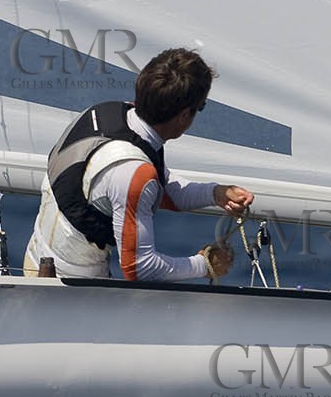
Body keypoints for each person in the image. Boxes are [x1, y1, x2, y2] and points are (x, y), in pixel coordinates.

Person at [24, 47, 254, 282]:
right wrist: (205, 265)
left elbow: (164, 191)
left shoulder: (105, 114)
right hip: (69, 290)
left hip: (34, 264)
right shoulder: (132, 172)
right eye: (200, 107)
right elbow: (140, 269)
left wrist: (216, 193)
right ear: (184, 115)